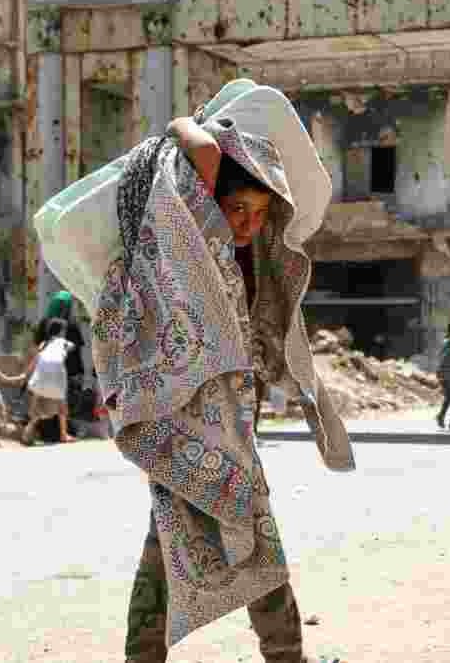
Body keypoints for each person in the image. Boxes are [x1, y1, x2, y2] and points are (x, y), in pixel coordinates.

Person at [92, 91, 354, 662]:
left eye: (259, 214)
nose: (247, 223)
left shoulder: (245, 259)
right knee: (246, 530)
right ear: (210, 202)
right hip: (188, 415)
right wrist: (181, 121)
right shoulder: (193, 237)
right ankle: (284, 656)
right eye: (238, 209)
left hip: (223, 418)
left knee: (180, 535)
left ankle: (151, 655)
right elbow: (204, 147)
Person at [22, 318, 78, 446]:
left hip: (39, 378)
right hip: (57, 375)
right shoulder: (64, 342)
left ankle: (28, 431)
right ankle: (64, 435)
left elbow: (36, 360)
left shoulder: (43, 344)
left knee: (37, 409)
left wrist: (25, 375)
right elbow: (72, 347)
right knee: (62, 407)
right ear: (61, 331)